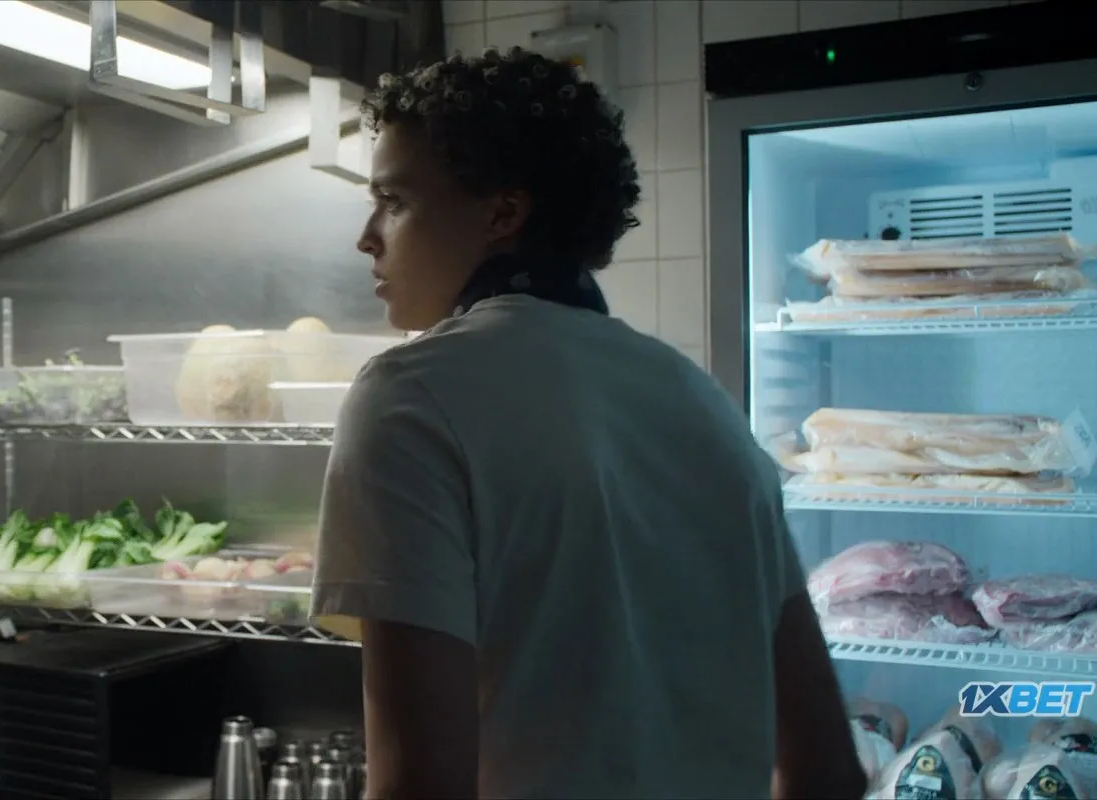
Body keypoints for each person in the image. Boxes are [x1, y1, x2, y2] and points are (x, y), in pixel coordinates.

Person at [307, 49, 868, 799]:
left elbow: (421, 786)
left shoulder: (411, 396)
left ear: (502, 213)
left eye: (393, 200)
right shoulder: (699, 400)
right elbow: (828, 772)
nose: (367, 235)